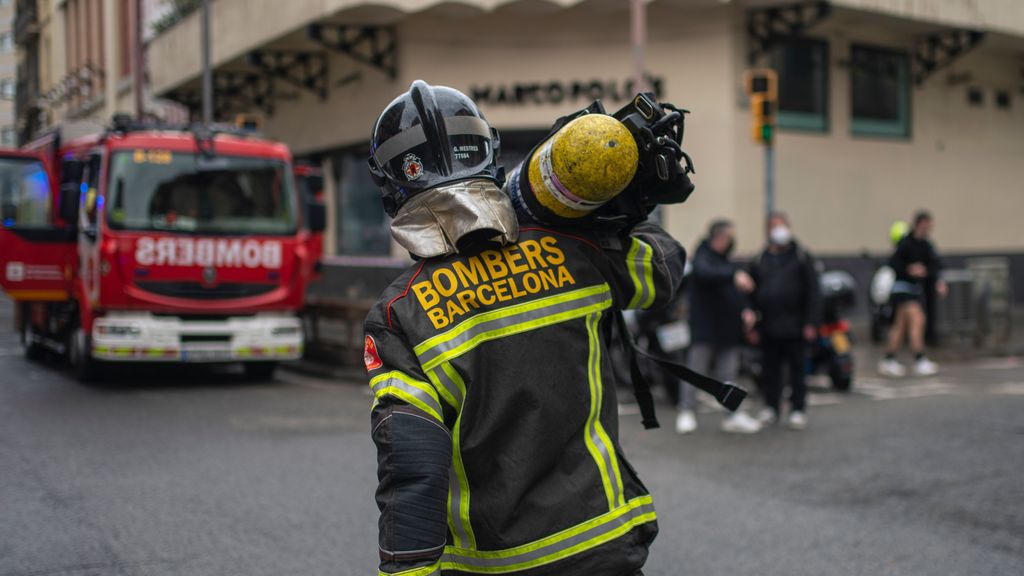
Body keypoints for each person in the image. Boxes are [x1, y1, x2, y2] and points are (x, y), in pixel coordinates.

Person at [364, 81, 686, 576]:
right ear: (489, 154)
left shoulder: (401, 313)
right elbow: (663, 270)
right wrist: (602, 209)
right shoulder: (576, 249)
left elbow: (413, 468)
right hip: (606, 542)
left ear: (389, 187)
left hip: (501, 562)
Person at [675, 220, 761, 434]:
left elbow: (734, 294)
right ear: (720, 237)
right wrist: (733, 276)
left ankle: (732, 415)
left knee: (729, 373)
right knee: (696, 371)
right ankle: (686, 411)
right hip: (705, 328)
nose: (732, 241)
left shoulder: (726, 261)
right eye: (730, 237)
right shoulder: (703, 257)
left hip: (729, 328)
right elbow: (706, 274)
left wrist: (746, 310)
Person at [749, 213, 820, 430]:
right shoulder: (760, 259)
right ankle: (771, 407)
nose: (779, 231)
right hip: (769, 325)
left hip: (796, 324)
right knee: (770, 369)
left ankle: (797, 409)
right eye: (774, 227)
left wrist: (811, 323)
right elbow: (752, 293)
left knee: (797, 369)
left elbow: (813, 292)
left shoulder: (801, 257)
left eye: (782, 226)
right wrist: (752, 321)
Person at [878, 211, 946, 377]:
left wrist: (934, 277)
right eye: (926, 224)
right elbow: (893, 263)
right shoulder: (906, 243)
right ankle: (919, 359)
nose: (928, 228)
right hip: (902, 289)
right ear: (918, 223)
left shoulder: (926, 245)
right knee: (918, 320)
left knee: (899, 326)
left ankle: (889, 359)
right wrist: (909, 269)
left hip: (914, 289)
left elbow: (935, 265)